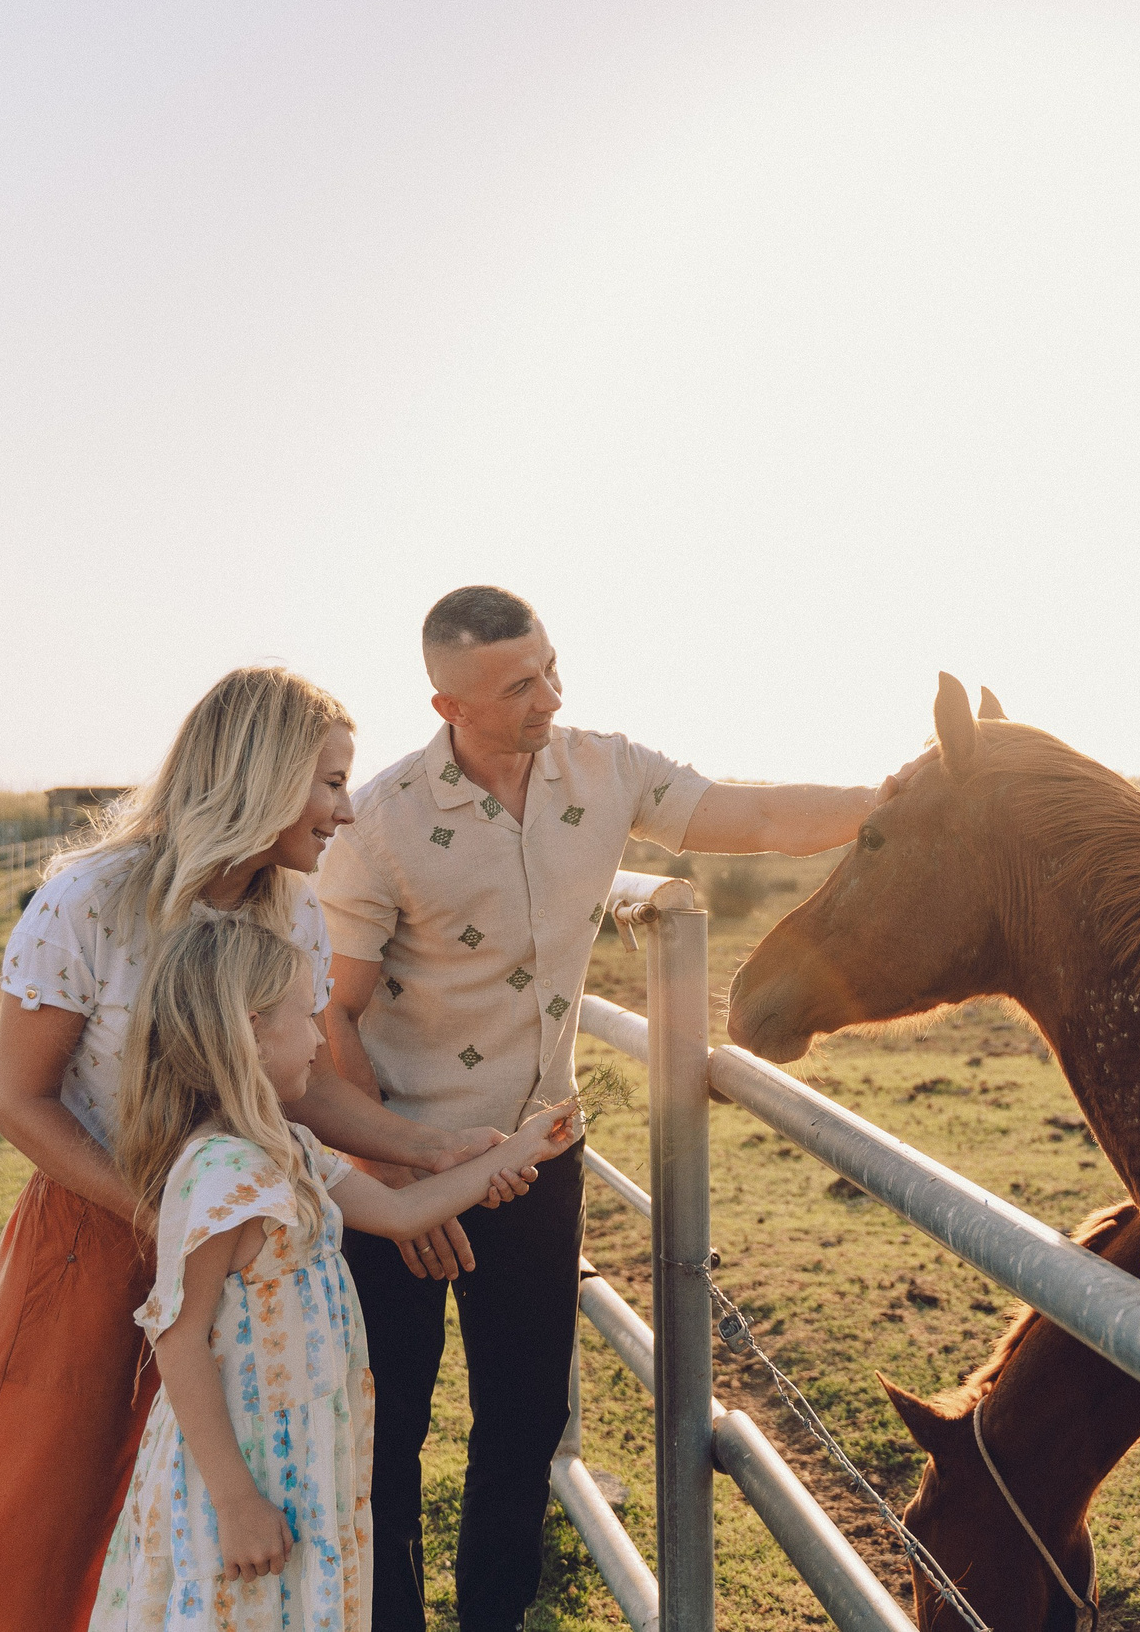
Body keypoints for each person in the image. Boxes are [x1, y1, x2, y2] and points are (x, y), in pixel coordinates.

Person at [315, 585, 927, 1632]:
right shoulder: (378, 824)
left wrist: (888, 799)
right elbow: (333, 1014)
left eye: (551, 668)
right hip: (399, 1157)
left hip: (537, 1154)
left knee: (524, 1421)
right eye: (520, 685)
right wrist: (398, 1178)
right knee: (387, 1429)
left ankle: (494, 1621)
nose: (551, 696)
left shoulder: (605, 769)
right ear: (449, 706)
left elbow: (759, 817)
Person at [0, 667, 524, 1632]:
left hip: (245, 1254)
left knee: (196, 1526)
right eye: (331, 782)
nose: (347, 810)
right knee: (30, 1518)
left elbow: (304, 1086)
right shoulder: (87, 901)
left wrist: (429, 1150)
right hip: (93, 1235)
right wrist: (169, 1215)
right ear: (263, 777)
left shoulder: (292, 910)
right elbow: (22, 1101)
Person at [89, 914, 579, 1632]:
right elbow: (178, 1338)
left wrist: (519, 1151)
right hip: (244, 1467)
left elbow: (402, 1212)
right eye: (306, 1017)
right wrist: (236, 1501)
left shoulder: (288, 1145)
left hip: (305, 1453)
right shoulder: (221, 1173)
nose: (322, 1040)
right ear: (253, 1031)